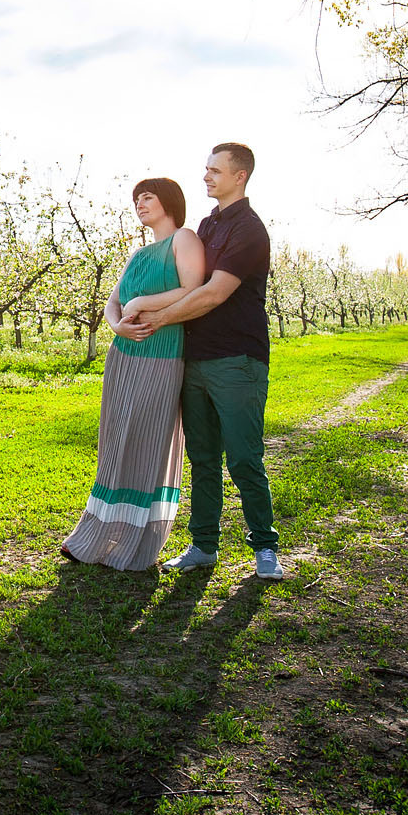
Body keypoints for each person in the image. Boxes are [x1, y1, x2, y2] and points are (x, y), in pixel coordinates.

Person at [117, 143, 283, 580]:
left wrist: (158, 318)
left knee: (244, 457)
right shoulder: (206, 226)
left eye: (215, 171)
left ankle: (265, 548)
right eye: (206, 170)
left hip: (236, 358)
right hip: (194, 359)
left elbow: (212, 293)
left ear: (239, 176)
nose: (206, 177)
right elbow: (184, 279)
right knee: (204, 458)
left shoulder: (248, 230)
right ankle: (203, 546)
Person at [59, 177, 205, 571]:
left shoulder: (184, 240)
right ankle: (92, 534)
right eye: (136, 199)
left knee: (146, 438)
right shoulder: (138, 253)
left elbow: (194, 288)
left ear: (169, 201)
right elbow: (113, 302)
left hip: (162, 354)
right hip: (123, 355)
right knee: (115, 438)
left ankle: (137, 542)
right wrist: (116, 326)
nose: (139, 204)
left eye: (147, 197)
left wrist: (143, 301)